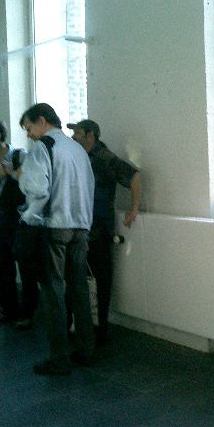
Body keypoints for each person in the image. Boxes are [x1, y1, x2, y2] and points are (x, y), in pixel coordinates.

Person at [18, 103, 95, 375]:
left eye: (29, 127)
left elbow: (38, 190)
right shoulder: (77, 149)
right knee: (79, 289)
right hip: (81, 226)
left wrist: (27, 216)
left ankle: (59, 359)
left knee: (53, 292)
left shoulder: (44, 147)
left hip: (55, 227)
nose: (29, 134)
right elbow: (89, 186)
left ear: (42, 120)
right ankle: (86, 350)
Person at [67, 119, 141, 345]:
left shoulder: (104, 158)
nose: (74, 138)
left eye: (78, 134)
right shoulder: (81, 157)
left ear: (91, 136)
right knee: (78, 278)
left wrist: (134, 208)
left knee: (101, 280)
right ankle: (82, 325)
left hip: (99, 229)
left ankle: (100, 329)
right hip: (81, 227)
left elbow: (134, 176)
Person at [0, 120, 38, 329]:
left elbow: (32, 185)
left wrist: (14, 173)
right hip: (3, 216)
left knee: (26, 266)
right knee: (2, 264)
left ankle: (28, 312)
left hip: (21, 218)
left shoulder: (21, 155)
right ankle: (8, 309)